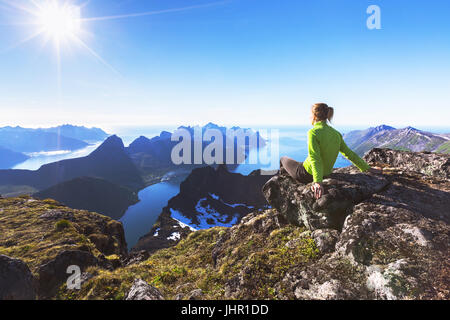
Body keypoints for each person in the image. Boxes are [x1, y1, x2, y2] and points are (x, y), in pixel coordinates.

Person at [280, 103, 382, 200]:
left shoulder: (313, 132)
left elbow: (315, 158)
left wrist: (317, 182)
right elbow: (349, 154)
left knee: (283, 159)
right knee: (299, 163)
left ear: (314, 116)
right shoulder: (336, 133)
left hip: (306, 173)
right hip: (326, 174)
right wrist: (367, 168)